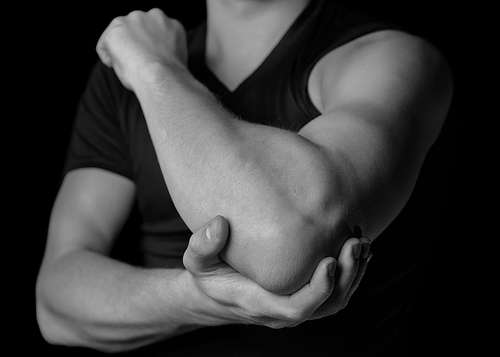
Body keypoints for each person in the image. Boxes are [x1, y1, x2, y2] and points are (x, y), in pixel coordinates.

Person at [36, 0, 453, 355]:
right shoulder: (122, 76)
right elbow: (55, 301)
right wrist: (196, 299)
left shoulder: (393, 57)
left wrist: (157, 70)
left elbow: (285, 249)